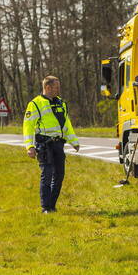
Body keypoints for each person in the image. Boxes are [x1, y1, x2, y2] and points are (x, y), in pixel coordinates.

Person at [23, 76, 80, 213]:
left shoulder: (61, 103)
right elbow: (28, 126)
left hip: (58, 145)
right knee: (47, 175)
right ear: (47, 87)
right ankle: (45, 207)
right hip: (44, 145)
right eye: (56, 87)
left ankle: (52, 206)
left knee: (59, 176)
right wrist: (30, 146)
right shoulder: (35, 104)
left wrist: (74, 142)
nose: (58, 89)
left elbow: (66, 124)